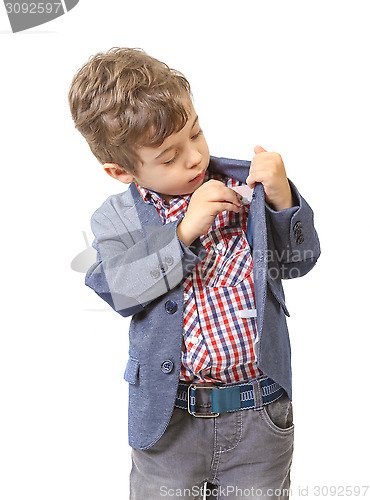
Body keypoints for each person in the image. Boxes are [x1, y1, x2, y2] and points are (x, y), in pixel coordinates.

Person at [68, 47, 320, 499]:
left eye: (196, 132)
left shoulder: (244, 188)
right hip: (169, 421)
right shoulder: (116, 219)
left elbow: (299, 262)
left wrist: (283, 199)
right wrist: (181, 233)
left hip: (259, 412)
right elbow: (122, 291)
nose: (194, 158)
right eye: (168, 157)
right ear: (120, 170)